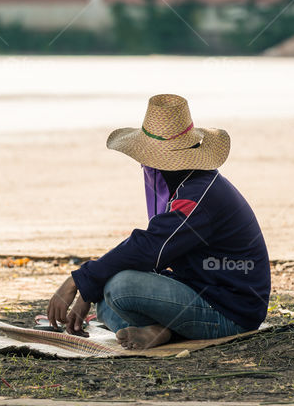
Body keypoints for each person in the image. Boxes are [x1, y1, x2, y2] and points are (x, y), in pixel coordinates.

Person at [47, 94, 271, 350]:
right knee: (104, 300)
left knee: (119, 287)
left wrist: (78, 280)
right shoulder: (184, 182)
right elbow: (153, 250)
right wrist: (90, 285)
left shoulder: (199, 193)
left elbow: (150, 247)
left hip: (231, 312)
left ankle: (166, 332)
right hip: (199, 289)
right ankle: (160, 331)